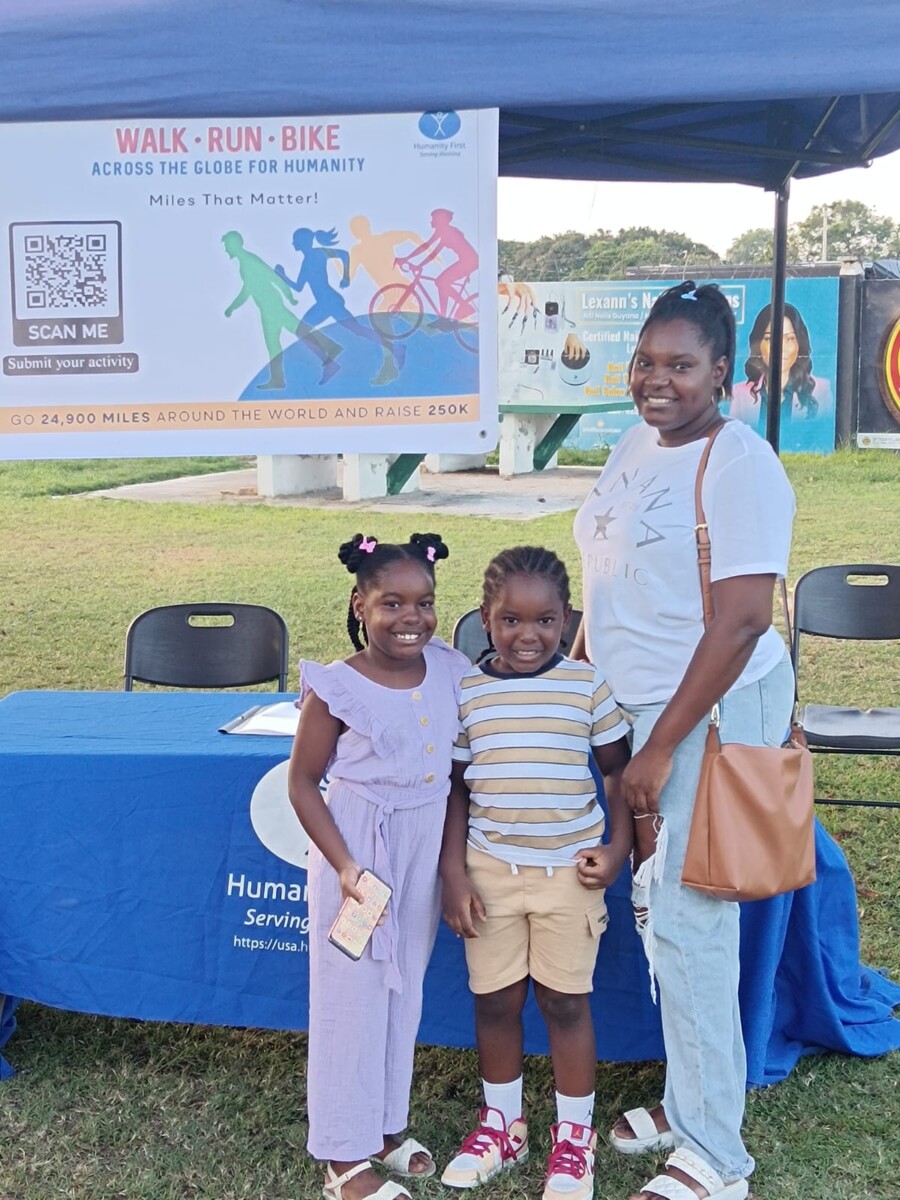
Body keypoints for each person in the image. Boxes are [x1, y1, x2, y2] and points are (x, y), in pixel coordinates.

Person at [571, 281, 796, 1200]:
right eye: (646, 363)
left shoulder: (741, 465)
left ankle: (715, 1157)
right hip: (635, 710)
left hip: (707, 710)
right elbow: (610, 579)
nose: (656, 381)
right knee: (657, 916)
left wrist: (659, 748)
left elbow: (739, 621)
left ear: (724, 372)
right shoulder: (633, 443)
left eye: (680, 365)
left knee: (693, 921)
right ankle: (690, 1096)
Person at [439, 546, 632, 1200]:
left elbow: (618, 773)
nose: (529, 636)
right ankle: (502, 1125)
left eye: (546, 621)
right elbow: (457, 789)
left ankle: (574, 1138)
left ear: (565, 617)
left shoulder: (586, 686)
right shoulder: (467, 691)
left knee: (564, 1001)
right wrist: (454, 875)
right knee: (495, 999)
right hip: (489, 870)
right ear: (485, 620)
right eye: (510, 621)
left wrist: (620, 846)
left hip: (568, 874)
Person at [288, 532, 469, 1200]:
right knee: (350, 993)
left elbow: (455, 776)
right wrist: (342, 867)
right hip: (361, 848)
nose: (411, 617)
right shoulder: (337, 687)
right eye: (391, 602)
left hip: (422, 840)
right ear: (360, 603)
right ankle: (342, 1155)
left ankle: (385, 1126)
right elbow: (303, 784)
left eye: (423, 602)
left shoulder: (450, 669)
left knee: (403, 987)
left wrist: (451, 868)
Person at [729, 302, 833, 435]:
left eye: (789, 339)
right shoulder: (740, 394)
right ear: (758, 344)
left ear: (799, 344)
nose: (780, 348)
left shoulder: (821, 390)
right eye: (769, 338)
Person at [397, 208, 478, 321]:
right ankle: (443, 318)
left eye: (433, 219)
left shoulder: (448, 232)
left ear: (440, 220)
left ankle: (462, 307)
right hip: (469, 260)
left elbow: (431, 251)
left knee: (441, 281)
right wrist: (413, 261)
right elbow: (429, 248)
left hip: (469, 261)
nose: (431, 221)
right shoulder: (443, 231)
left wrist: (410, 260)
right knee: (441, 282)